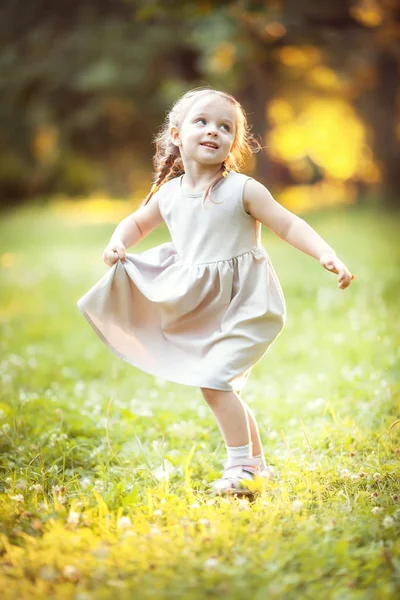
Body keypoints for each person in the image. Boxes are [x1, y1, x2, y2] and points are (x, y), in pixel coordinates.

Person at [77, 87, 354, 496]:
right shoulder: (170, 194)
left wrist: (325, 253)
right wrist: (118, 242)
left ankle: (240, 467)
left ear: (233, 144)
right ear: (176, 134)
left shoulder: (243, 190)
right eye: (202, 122)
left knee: (214, 382)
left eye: (225, 127)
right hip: (199, 304)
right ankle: (257, 468)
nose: (213, 131)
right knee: (220, 383)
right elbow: (136, 224)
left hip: (246, 303)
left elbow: (288, 224)